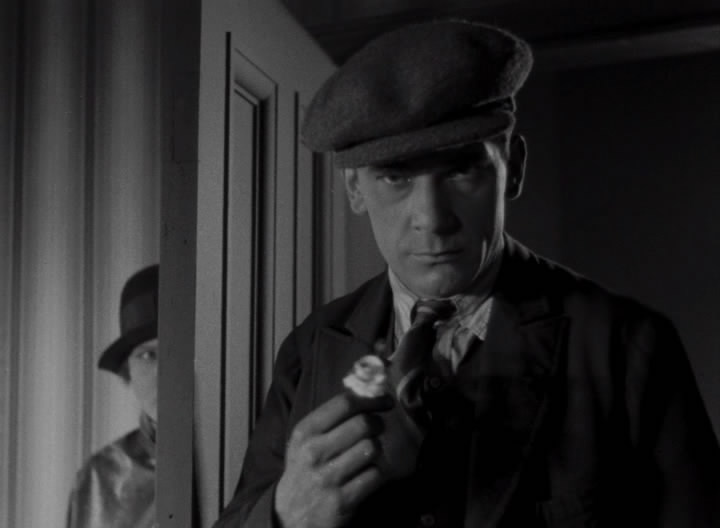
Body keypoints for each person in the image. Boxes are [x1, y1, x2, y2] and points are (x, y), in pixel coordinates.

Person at [214, 20, 720, 527]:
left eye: (461, 169)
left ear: (513, 168)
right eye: (395, 176)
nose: (432, 219)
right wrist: (282, 514)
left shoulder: (628, 347)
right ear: (353, 189)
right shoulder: (309, 351)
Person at [66, 264, 159, 528]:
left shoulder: (248, 456)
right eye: (148, 355)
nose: (164, 372)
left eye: (179, 351)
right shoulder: (99, 479)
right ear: (127, 369)